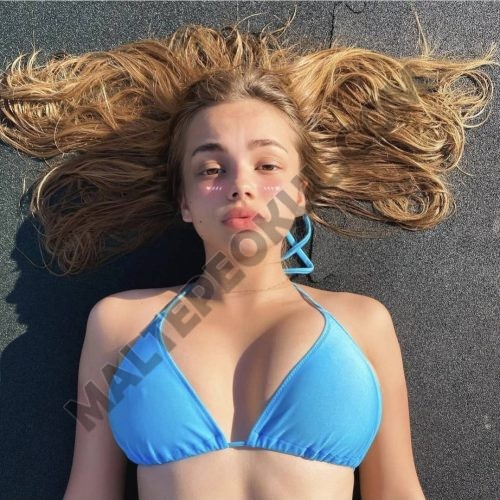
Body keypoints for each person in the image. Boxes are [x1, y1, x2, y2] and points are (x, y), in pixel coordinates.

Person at [1, 10, 496, 500]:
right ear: (185, 202)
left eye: (267, 165)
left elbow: (397, 490)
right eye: (211, 169)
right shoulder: (120, 325)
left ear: (300, 193)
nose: (241, 185)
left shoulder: (363, 324)